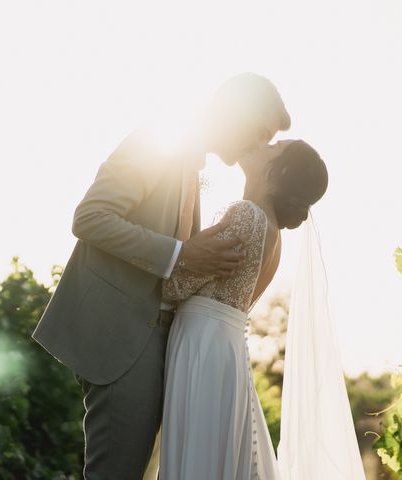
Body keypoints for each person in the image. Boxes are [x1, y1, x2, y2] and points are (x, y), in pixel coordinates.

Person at [32, 73, 291, 479]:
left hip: (159, 347)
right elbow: (90, 217)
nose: (259, 145)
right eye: (260, 132)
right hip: (122, 340)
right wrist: (181, 253)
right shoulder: (154, 143)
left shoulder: (192, 167)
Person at [158, 140, 328, 479]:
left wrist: (183, 209)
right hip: (223, 349)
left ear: (278, 170)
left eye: (275, 146)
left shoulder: (247, 216)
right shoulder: (273, 233)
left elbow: (172, 287)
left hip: (201, 348)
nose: (262, 143)